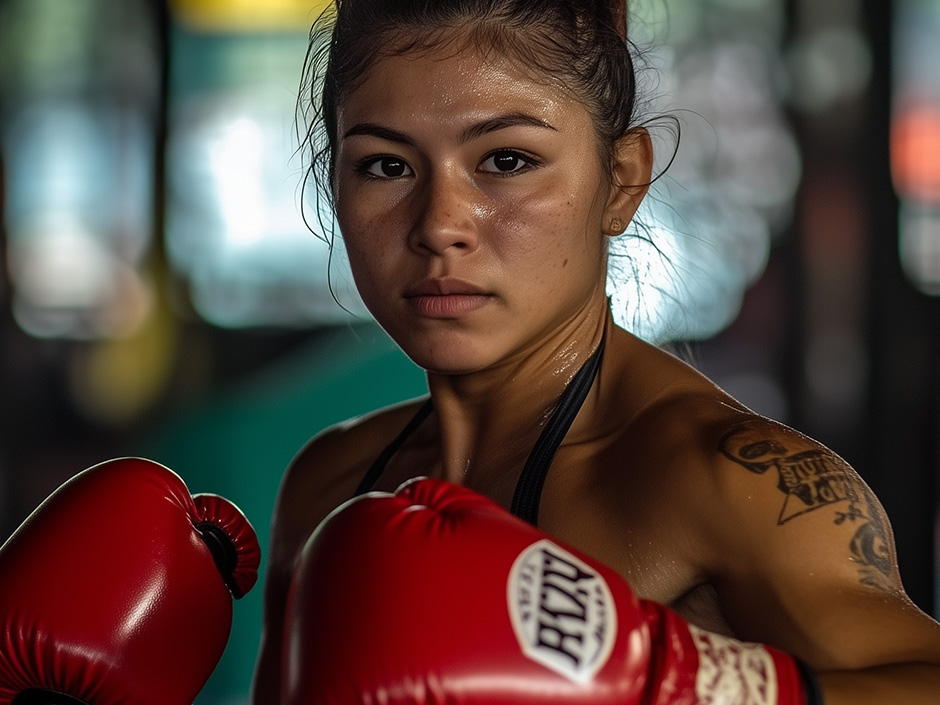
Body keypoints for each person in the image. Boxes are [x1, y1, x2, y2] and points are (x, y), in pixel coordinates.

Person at [252, 0, 940, 702]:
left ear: (622, 180)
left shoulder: (732, 482)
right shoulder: (329, 484)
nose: (439, 225)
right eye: (386, 165)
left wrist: (678, 682)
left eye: (506, 159)